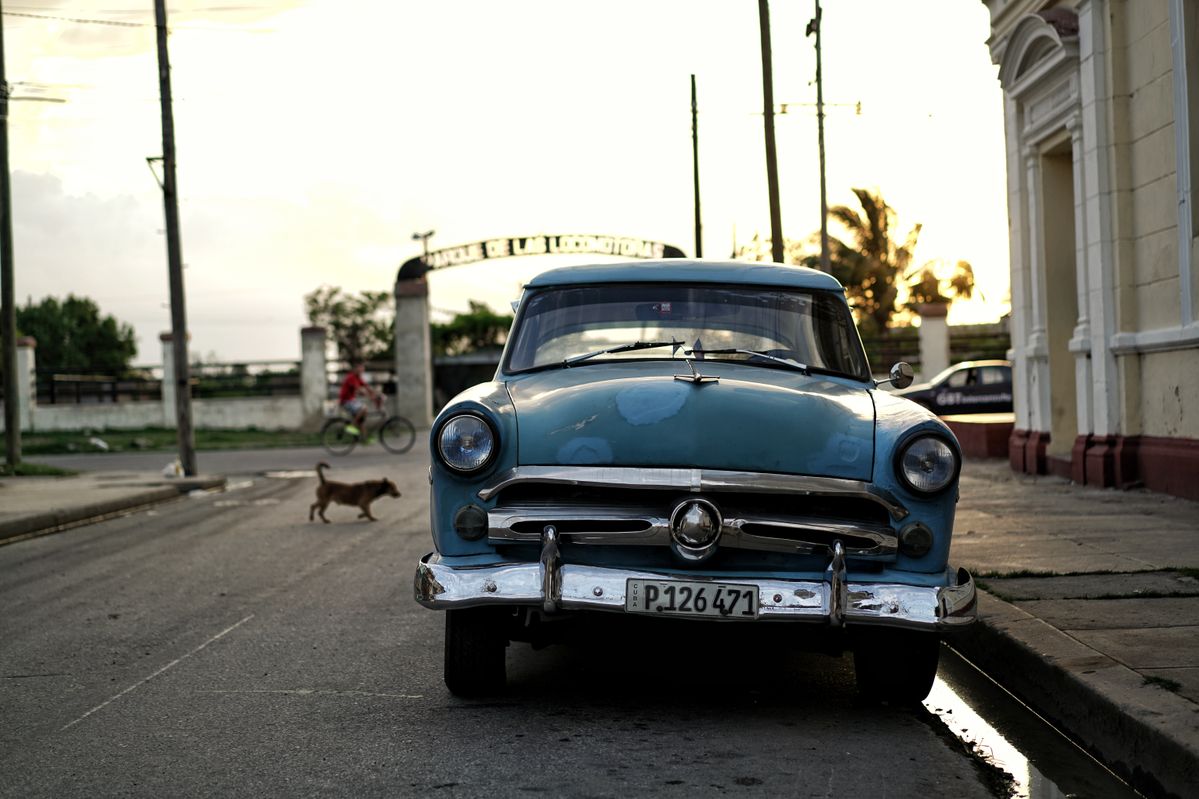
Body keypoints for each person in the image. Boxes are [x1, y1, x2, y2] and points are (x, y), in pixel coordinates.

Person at [338, 362, 379, 437]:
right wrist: (370, 396)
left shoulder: (358, 378)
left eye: (362, 369)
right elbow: (359, 390)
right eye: (360, 369)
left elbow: (367, 387)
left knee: (361, 418)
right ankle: (351, 426)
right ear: (355, 369)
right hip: (346, 401)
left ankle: (364, 438)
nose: (361, 371)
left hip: (351, 400)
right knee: (363, 409)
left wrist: (377, 394)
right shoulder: (351, 377)